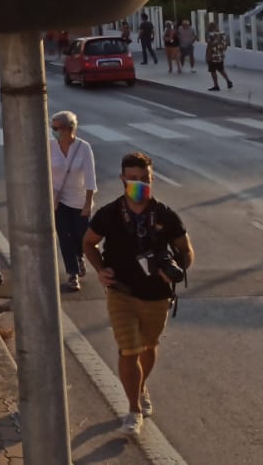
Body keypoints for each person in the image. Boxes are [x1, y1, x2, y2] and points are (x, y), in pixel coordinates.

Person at [83, 152, 194, 438]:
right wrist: (100, 269)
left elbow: (186, 250)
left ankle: (141, 386)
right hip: (121, 292)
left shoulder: (166, 215)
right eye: (133, 179)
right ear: (123, 179)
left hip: (157, 295)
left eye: (144, 179)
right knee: (128, 349)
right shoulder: (108, 214)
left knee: (148, 346)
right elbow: (89, 244)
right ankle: (133, 410)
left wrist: (176, 268)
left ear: (151, 179)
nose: (139, 184)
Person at [49, 110, 97, 292]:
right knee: (64, 236)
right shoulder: (51, 146)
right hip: (57, 200)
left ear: (69, 129)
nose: (53, 131)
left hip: (78, 200)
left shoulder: (83, 148)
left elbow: (90, 178)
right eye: (52, 127)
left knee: (80, 235)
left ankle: (80, 255)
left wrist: (87, 203)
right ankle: (72, 273)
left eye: (56, 128)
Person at [204, 22, 234, 91]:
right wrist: (222, 51)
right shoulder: (222, 34)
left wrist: (207, 56)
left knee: (213, 71)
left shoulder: (210, 35)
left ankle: (216, 85)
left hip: (213, 56)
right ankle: (228, 81)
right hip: (220, 55)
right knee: (221, 69)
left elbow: (209, 45)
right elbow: (226, 44)